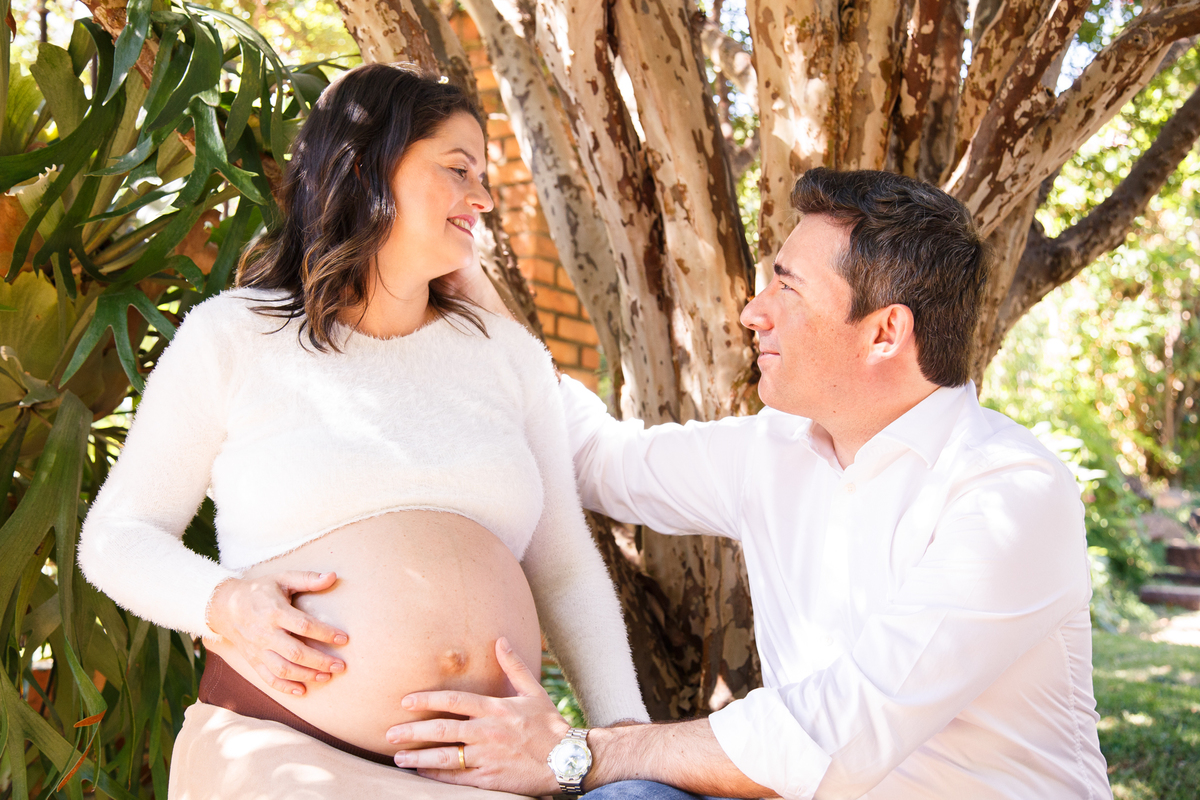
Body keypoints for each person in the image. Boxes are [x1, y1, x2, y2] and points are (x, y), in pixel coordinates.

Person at [382, 169, 1113, 799]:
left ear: (885, 332)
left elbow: (835, 732)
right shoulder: (773, 451)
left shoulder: (1010, 492)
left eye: (787, 287)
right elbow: (592, 457)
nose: (752, 312)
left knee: (626, 778)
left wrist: (572, 751)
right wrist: (474, 292)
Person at [78, 63, 648, 799]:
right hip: (288, 756)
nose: (481, 198)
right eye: (457, 168)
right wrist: (221, 604)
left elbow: (565, 567)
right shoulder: (235, 336)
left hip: (496, 776)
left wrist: (624, 748)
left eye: (483, 175)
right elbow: (116, 537)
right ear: (363, 165)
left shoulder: (509, 358)